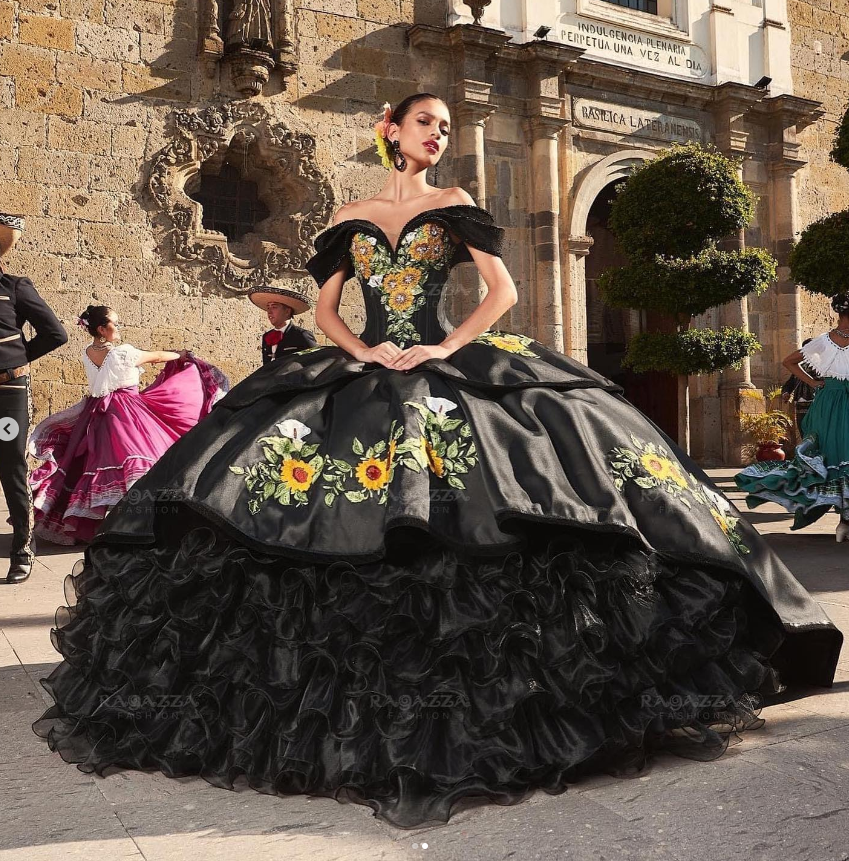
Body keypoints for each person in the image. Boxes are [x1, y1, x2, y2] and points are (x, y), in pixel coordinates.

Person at [32, 94, 842, 829]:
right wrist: (364, 349)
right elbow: (324, 308)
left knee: (546, 478)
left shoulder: (455, 206)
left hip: (443, 354)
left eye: (447, 128)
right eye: (426, 123)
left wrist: (442, 344)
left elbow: (501, 295)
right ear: (389, 129)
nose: (438, 136)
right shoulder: (349, 214)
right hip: (370, 363)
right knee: (277, 495)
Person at [27, 305, 229, 546]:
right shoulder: (122, 352)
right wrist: (182, 355)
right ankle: (141, 526)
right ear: (102, 328)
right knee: (147, 461)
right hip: (126, 413)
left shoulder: (88, 352)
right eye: (115, 323)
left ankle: (106, 525)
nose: (119, 327)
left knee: (93, 467)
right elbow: (156, 356)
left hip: (95, 414)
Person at [736, 294, 849, 542]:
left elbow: (789, 361)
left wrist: (814, 382)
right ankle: (844, 521)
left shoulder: (822, 341)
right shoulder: (823, 341)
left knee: (839, 458)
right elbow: (789, 362)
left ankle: (844, 522)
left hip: (828, 401)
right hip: (831, 404)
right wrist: (811, 381)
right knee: (838, 457)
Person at [0, 213, 68, 584]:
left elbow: (56, 333)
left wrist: (16, 358)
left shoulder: (14, 287)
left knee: (11, 463)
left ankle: (22, 548)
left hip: (8, 392)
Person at [248, 284, 318, 365]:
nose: (269, 312)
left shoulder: (301, 335)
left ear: (287, 311)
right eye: (268, 307)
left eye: (274, 307)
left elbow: (316, 364)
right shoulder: (266, 336)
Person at [780, 337, 820, 433]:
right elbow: (790, 383)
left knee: (816, 432)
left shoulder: (822, 366)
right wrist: (786, 392)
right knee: (803, 430)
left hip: (816, 403)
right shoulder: (799, 367)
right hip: (801, 405)